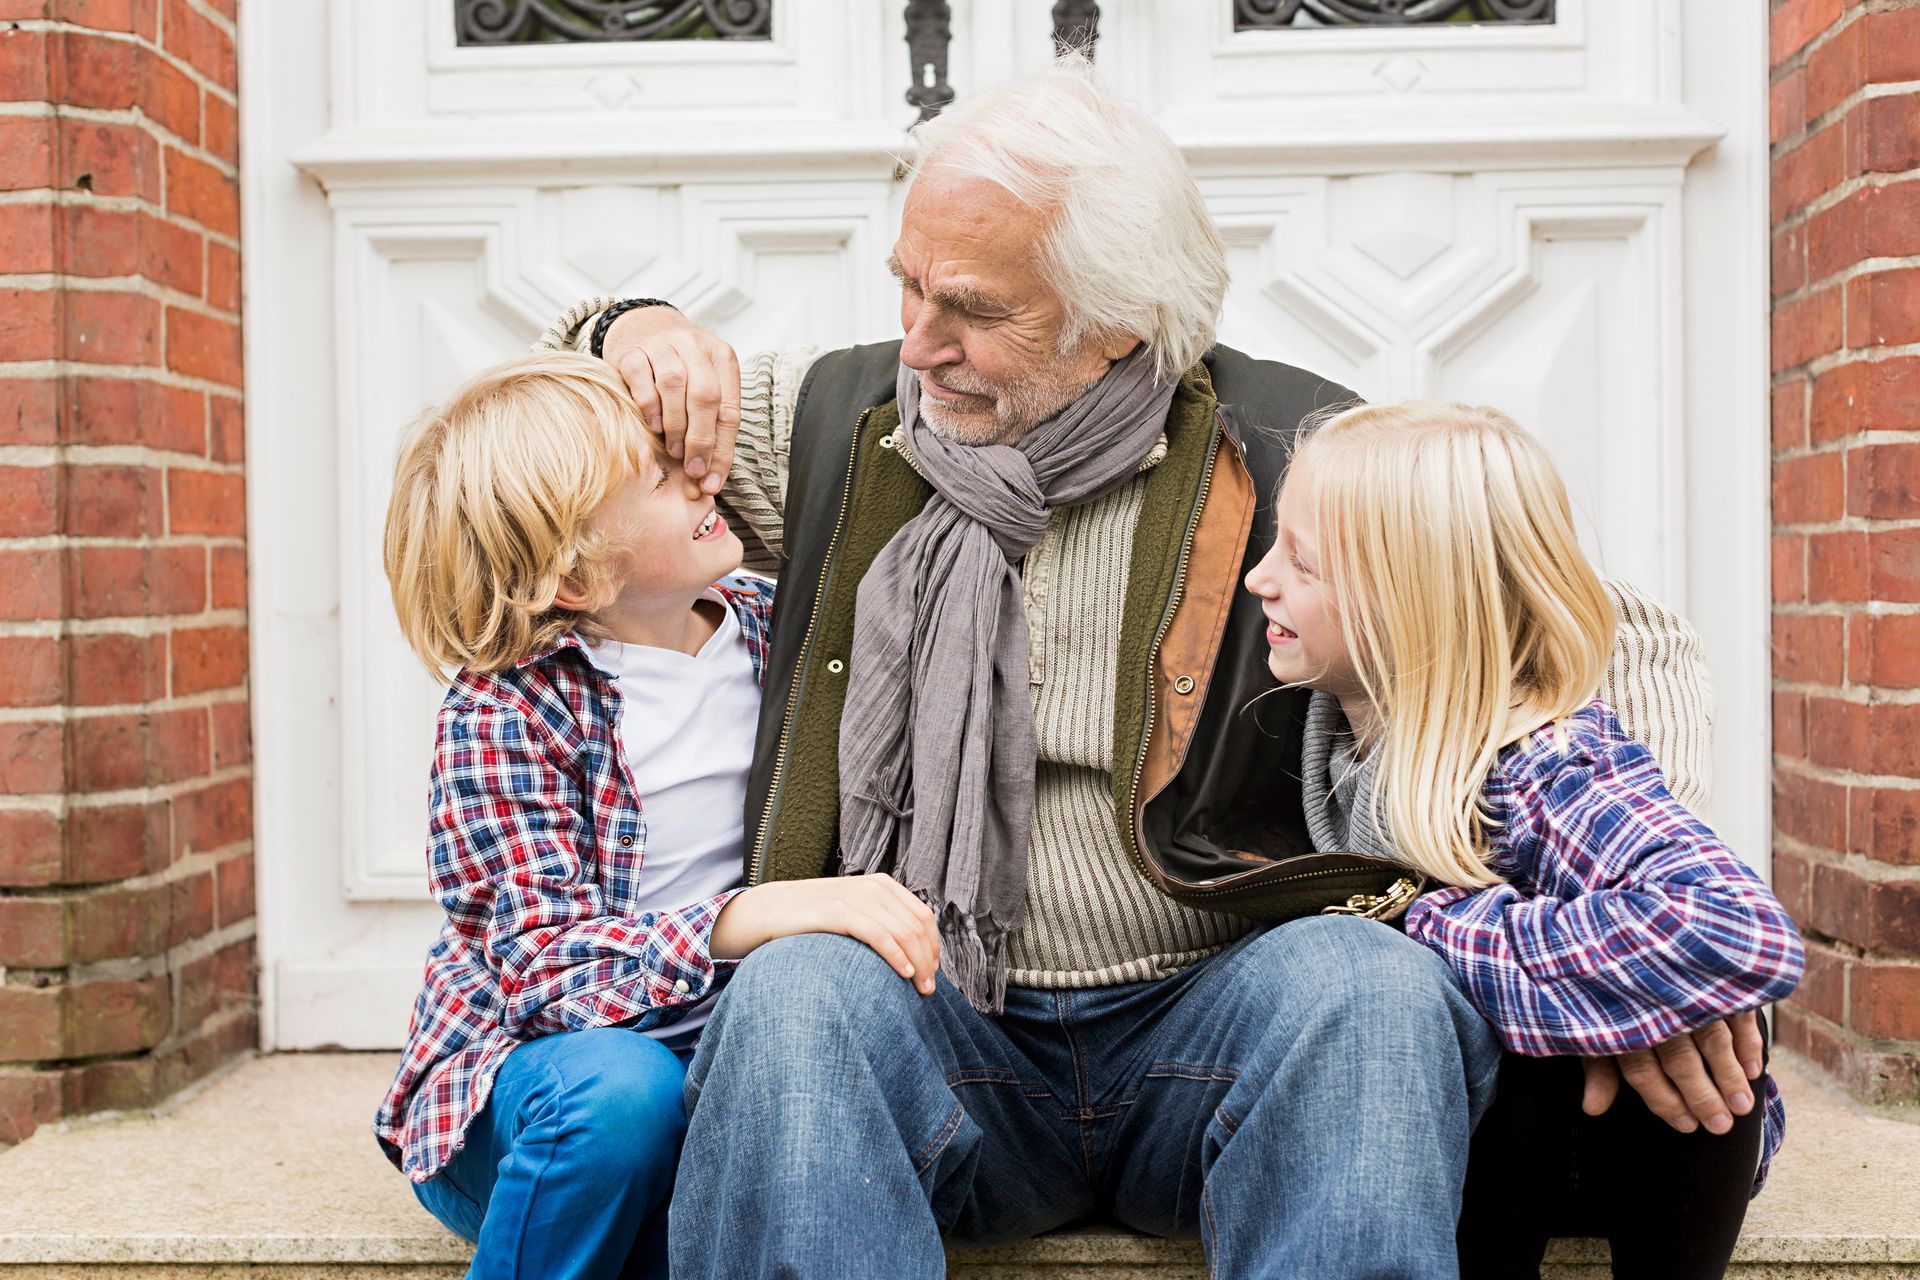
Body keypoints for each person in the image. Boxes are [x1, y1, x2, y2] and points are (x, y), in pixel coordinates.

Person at [541, 57, 1762, 1280]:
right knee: (796, 991)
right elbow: (541, 458)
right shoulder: (839, 423)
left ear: (1117, 322)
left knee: (1368, 982)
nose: (918, 340)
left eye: (970, 306)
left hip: (1219, 1007)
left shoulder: (1294, 443)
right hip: (936, 1020)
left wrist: (1638, 956)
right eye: (906, 285)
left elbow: (1615, 631)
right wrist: (626, 330)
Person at [371, 352, 942, 1280]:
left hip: (719, 1060)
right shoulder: (506, 712)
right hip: (543, 1098)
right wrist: (749, 917)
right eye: (661, 478)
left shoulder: (776, 631)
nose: (703, 477)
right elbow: (540, 974)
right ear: (576, 577)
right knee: (623, 1098)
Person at [1242, 400, 1805, 1279]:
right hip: (1465, 1143)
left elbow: (1728, 926)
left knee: (1543, 1042)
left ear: (1414, 601)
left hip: (1624, 1139)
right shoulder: (1329, 735)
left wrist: (1424, 924)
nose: (1260, 580)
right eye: (1278, 544)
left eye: (1302, 562)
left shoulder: (1536, 758)